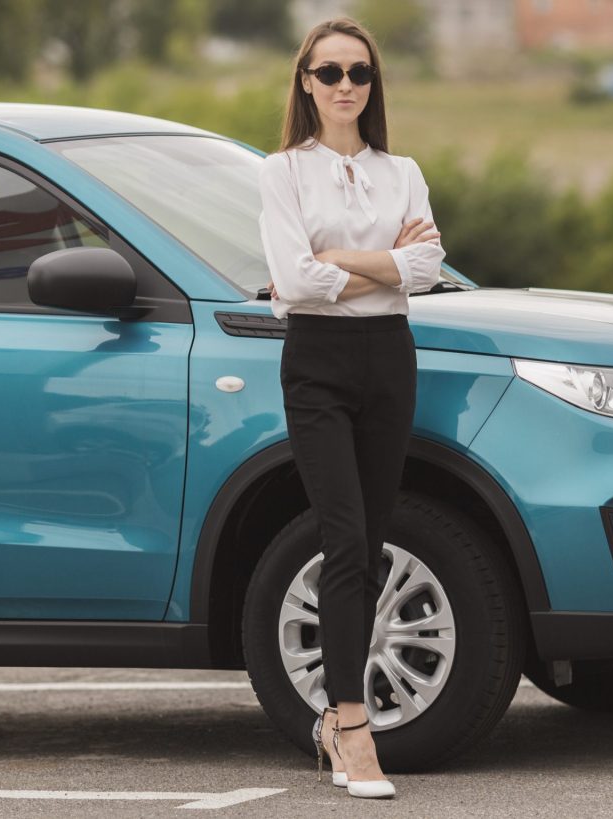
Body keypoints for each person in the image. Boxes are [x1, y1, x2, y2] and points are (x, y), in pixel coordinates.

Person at [257, 16, 446, 800]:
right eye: (328, 72)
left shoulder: (402, 170)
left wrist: (338, 260)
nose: (344, 86)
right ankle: (352, 722)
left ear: (372, 86)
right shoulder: (281, 172)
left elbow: (430, 267)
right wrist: (385, 265)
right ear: (305, 82)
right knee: (342, 539)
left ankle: (339, 718)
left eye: (358, 74)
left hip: (387, 359)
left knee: (369, 546)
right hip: (317, 363)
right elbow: (293, 285)